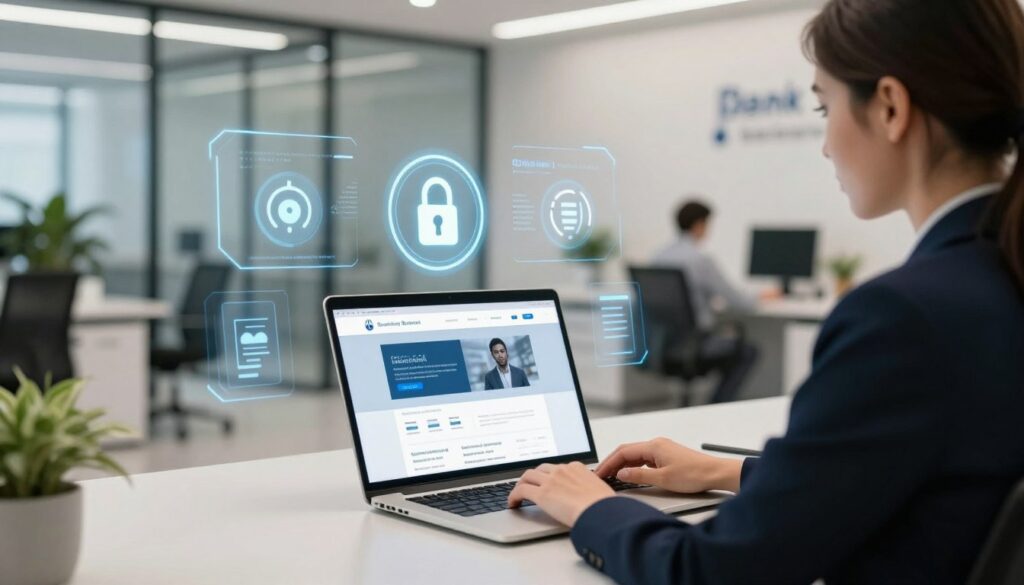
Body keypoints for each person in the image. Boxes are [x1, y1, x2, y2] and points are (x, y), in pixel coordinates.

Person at [507, 1, 1024, 583]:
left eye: (824, 107)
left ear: (889, 107)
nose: (826, 144)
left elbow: (710, 571)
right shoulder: (998, 280)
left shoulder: (900, 318)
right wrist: (726, 471)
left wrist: (592, 507)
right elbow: (925, 475)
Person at [651, 200, 772, 403]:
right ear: (699, 225)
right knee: (747, 352)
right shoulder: (699, 260)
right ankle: (716, 406)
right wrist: (763, 295)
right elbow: (738, 301)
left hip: (663, 345)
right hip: (694, 345)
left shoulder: (658, 257)